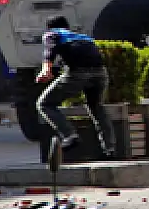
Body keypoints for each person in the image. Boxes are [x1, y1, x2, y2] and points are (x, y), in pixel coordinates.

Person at [35, 16, 115, 158]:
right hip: (101, 73)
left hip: (78, 72)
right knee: (96, 107)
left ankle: (69, 135)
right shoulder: (83, 37)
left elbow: (50, 50)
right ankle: (110, 149)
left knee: (44, 103)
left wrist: (46, 70)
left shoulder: (53, 33)